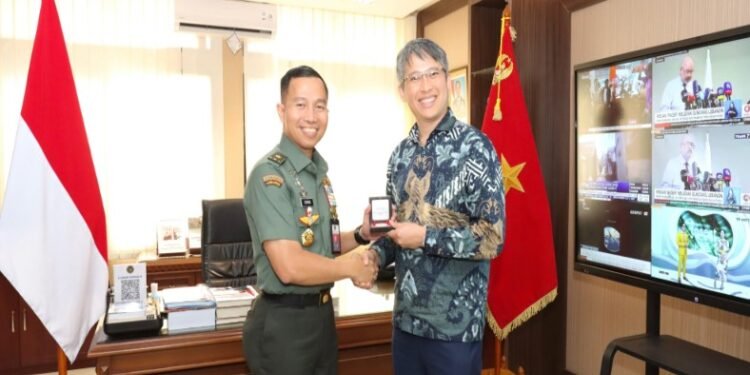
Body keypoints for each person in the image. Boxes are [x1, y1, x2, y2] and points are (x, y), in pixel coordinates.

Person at [364, 38, 505, 375]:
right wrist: (373, 254)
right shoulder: (399, 156)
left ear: (446, 80)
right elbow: (395, 234)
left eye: (432, 74)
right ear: (402, 90)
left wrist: (426, 236)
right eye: (414, 78)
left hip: (453, 331)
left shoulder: (476, 147)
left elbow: (492, 238)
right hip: (405, 326)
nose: (425, 86)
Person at [242, 65, 379, 375]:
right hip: (283, 324)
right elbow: (289, 266)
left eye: (319, 106)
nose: (311, 116)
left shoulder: (318, 173)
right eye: (300, 104)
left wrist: (360, 234)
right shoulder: (270, 176)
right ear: (282, 110)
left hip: (321, 318)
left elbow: (319, 246)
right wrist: (351, 267)